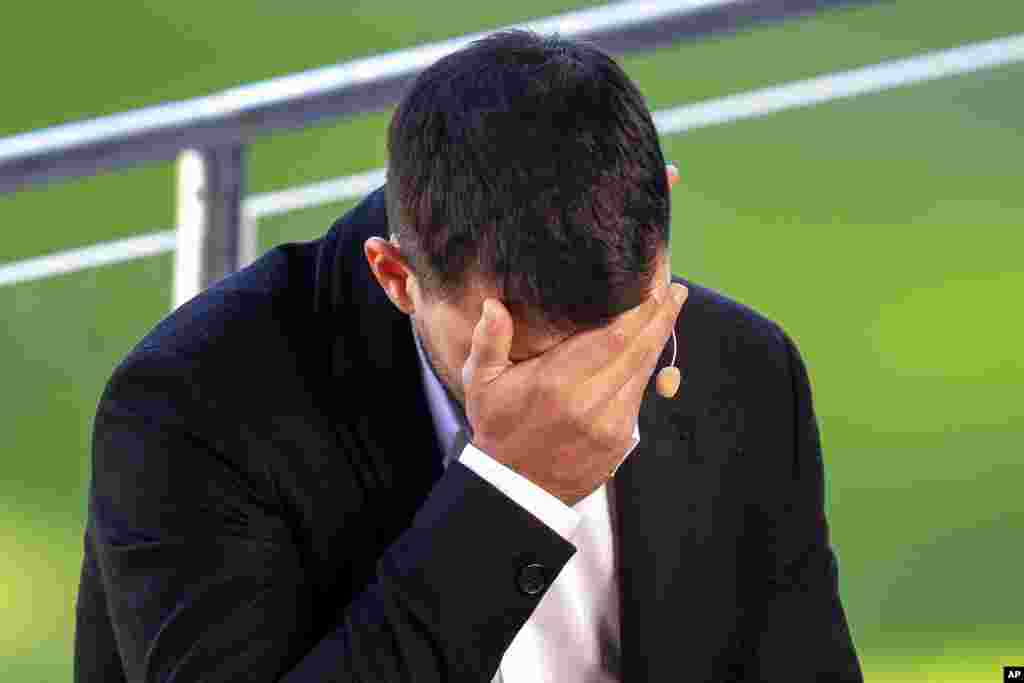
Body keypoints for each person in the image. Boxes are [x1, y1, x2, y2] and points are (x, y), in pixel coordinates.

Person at [74, 29, 862, 682]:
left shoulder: (746, 371)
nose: (588, 390)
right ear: (397, 278)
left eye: (623, 332)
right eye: (528, 359)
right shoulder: (189, 408)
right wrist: (510, 494)